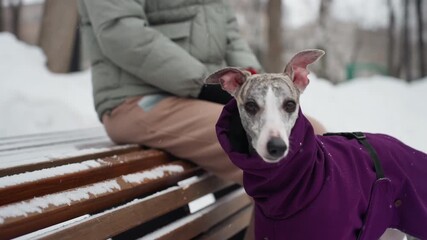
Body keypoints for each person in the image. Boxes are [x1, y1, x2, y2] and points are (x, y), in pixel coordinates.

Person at [78, 0, 325, 238]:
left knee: (312, 135)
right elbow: (120, 32)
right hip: (140, 98)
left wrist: (251, 80)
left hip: (199, 95)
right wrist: (203, 84)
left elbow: (228, 31)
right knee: (285, 163)